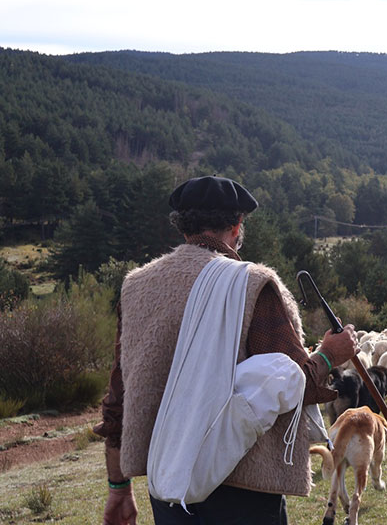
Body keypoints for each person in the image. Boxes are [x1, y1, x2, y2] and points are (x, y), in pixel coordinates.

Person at [94, 175, 357, 525]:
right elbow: (295, 383)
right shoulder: (251, 285)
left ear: (182, 227)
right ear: (237, 226)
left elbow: (118, 400)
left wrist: (118, 487)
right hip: (245, 494)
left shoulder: (136, 287)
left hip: (169, 487)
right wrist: (329, 355)